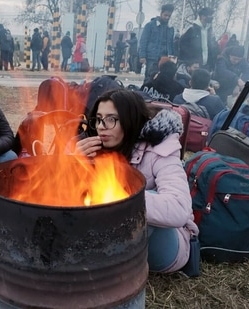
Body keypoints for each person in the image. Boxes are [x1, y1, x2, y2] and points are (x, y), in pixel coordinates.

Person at [74, 89, 198, 273]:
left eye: (111, 119)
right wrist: (73, 164)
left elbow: (179, 208)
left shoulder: (159, 149)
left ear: (129, 119)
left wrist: (116, 196)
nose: (101, 126)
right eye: (99, 119)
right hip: (120, 244)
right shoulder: (94, 146)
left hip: (164, 247)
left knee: (139, 199)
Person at [138, 3, 175, 82]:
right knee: (149, 78)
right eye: (165, 15)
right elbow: (143, 41)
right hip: (152, 57)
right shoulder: (150, 26)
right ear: (161, 13)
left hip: (165, 58)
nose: (167, 17)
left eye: (169, 16)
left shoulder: (171, 28)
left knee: (163, 79)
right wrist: (142, 56)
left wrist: (171, 56)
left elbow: (171, 44)